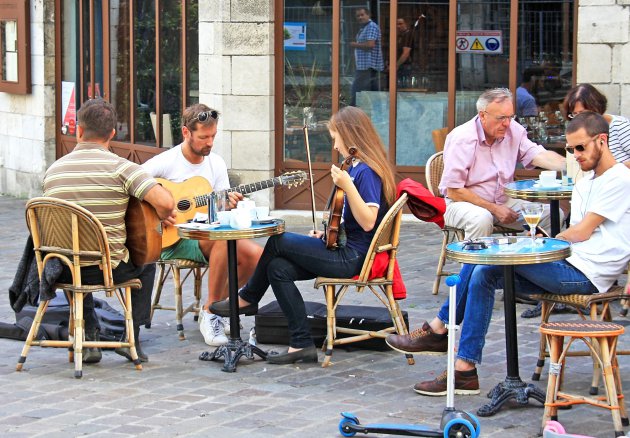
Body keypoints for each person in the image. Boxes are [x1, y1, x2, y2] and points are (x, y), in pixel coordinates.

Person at [386, 111, 630, 396]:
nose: (575, 155)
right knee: (484, 270)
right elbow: (574, 233)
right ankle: (464, 370)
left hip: (588, 274)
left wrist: (544, 242)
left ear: (602, 141)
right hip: (568, 262)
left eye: (581, 147)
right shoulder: (586, 179)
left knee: (493, 255)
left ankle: (439, 329)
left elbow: (582, 232)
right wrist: (543, 242)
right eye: (570, 149)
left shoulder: (619, 179)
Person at [211, 106, 396, 364]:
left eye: (335, 138)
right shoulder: (356, 168)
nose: (335, 146)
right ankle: (301, 344)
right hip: (341, 249)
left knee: (278, 240)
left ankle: (248, 297)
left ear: (349, 135)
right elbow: (351, 221)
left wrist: (348, 185)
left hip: (353, 257)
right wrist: (326, 233)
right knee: (277, 267)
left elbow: (367, 222)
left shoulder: (365, 172)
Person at [43, 98, 176, 363]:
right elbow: (166, 202)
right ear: (113, 134)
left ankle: (88, 335)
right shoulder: (122, 168)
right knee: (147, 261)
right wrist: (161, 213)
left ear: (79, 130)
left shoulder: (53, 171)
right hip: (107, 268)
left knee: (72, 251)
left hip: (59, 268)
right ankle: (132, 338)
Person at [142, 104, 263, 347]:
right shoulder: (166, 162)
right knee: (222, 239)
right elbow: (132, 182)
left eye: (213, 136)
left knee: (257, 255)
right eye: (203, 137)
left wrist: (229, 205)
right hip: (173, 238)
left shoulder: (215, 164)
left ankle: (225, 306)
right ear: (186, 133)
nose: (209, 142)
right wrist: (158, 208)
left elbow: (218, 211)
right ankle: (210, 313)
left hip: (206, 235)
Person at [440, 88, 566, 240]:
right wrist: (494, 209)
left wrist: (571, 166)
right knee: (481, 218)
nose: (507, 124)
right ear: (482, 115)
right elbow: (454, 190)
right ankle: (475, 264)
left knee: (553, 215)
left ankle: (527, 260)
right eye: (501, 118)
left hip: (503, 202)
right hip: (462, 204)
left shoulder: (513, 130)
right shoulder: (462, 138)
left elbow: (537, 155)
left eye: (510, 117)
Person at [563, 83, 630, 168]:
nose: (579, 118)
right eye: (574, 114)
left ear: (596, 108)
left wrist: (615, 170)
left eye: (583, 113)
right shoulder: (582, 131)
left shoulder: (620, 127)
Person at [350, 7, 384, 106]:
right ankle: (379, 114)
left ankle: (350, 114)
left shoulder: (371, 26)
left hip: (368, 66)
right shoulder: (364, 28)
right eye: (358, 16)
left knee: (355, 91)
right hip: (364, 66)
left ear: (368, 15)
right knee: (374, 93)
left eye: (362, 15)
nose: (360, 17)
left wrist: (354, 44)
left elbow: (370, 45)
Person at [393, 17, 414, 88]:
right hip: (402, 66)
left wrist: (395, 66)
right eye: (396, 24)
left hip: (405, 67)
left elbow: (405, 54)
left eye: (400, 24)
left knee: (404, 89)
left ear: (406, 24)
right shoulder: (401, 36)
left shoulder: (408, 35)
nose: (398, 26)